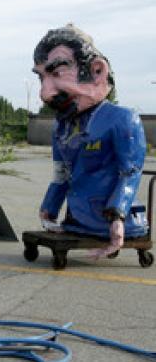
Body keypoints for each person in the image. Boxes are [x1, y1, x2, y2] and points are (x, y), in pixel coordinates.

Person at [32, 24, 148, 259]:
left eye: (57, 74)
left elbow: (130, 171)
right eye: (42, 77)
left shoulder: (122, 119)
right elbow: (62, 173)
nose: (45, 93)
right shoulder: (62, 127)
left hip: (111, 220)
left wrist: (118, 215)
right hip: (75, 221)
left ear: (96, 71)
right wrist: (49, 208)